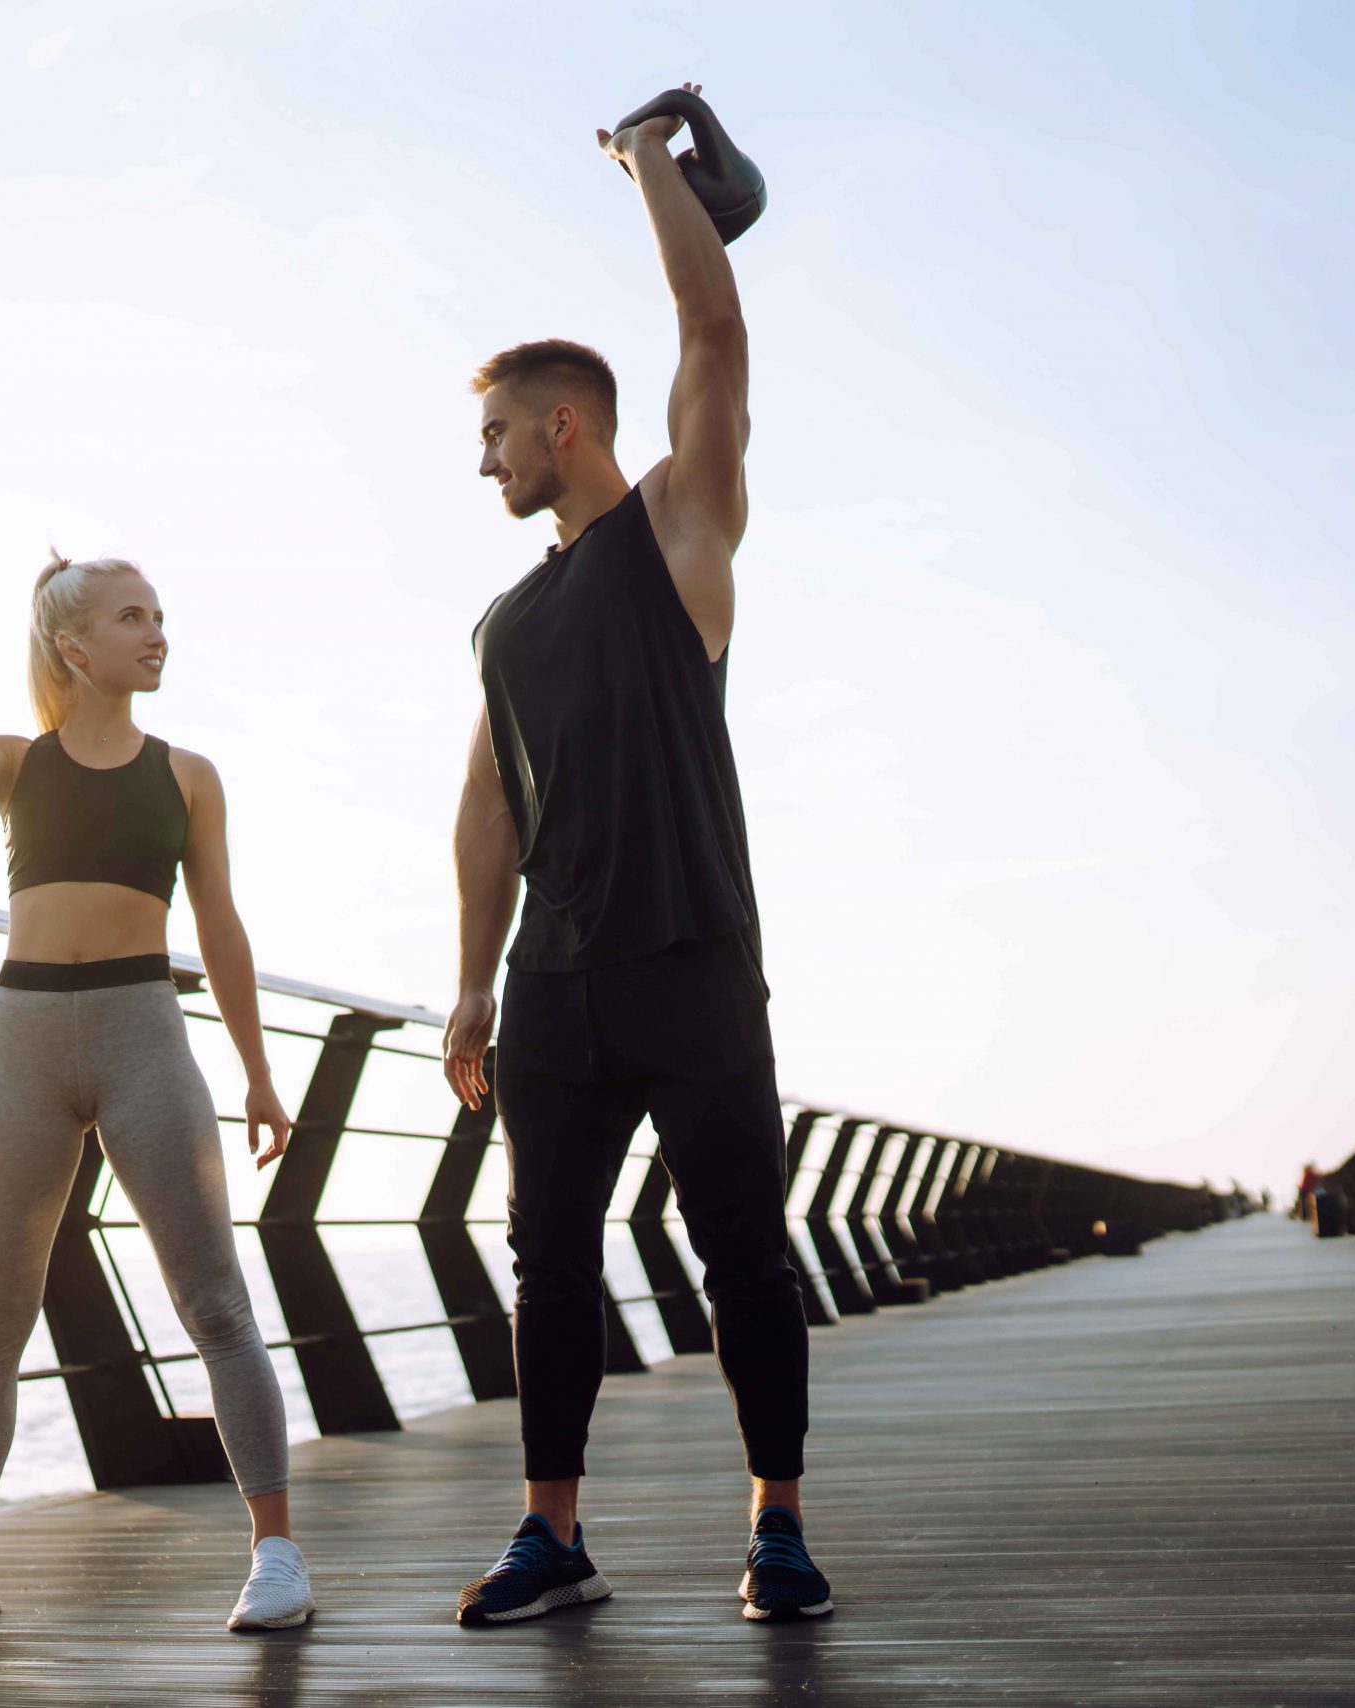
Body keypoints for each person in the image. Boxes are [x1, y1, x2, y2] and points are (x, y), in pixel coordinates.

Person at [443, 86, 831, 1625]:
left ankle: (780, 1525)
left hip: (692, 956)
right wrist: (470, 987)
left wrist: (646, 160)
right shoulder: (504, 623)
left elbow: (715, 345)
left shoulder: (677, 532)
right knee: (547, 1259)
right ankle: (553, 1534)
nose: (482, 466)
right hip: (558, 980)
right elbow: (485, 809)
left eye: (494, 437)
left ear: (565, 425)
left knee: (742, 1241)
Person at [0, 556, 313, 1634]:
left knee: (215, 1301)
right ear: (74, 646)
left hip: (140, 1032)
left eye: (160, 615)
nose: (156, 633)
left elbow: (220, 930)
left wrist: (256, 1071)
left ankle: (277, 1553)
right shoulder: (19, 764)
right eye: (131, 617)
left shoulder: (188, 774)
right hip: (20, 1036)